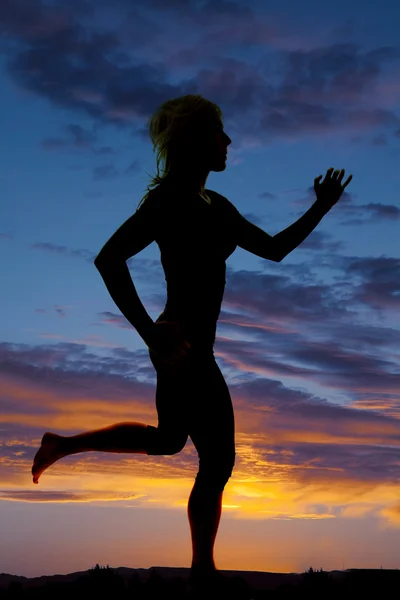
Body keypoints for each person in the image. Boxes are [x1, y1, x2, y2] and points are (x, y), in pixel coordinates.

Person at [31, 94, 352, 590]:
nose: (227, 142)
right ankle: (202, 570)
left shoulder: (216, 205)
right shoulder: (168, 201)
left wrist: (320, 208)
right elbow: (108, 260)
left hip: (195, 347)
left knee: (170, 441)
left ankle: (65, 444)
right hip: (179, 345)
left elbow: (273, 249)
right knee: (215, 458)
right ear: (193, 141)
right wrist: (149, 334)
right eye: (218, 133)